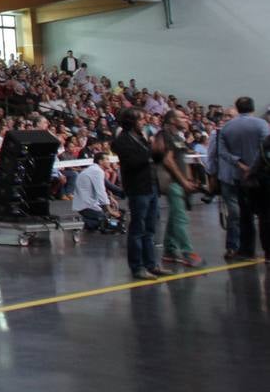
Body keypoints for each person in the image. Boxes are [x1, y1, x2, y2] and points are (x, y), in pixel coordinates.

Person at [112, 108, 172, 281]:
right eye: (140, 120)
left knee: (150, 228)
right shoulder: (123, 141)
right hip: (138, 188)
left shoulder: (140, 138)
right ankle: (137, 266)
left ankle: (151, 264)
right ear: (131, 122)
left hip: (150, 186)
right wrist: (151, 152)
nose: (144, 123)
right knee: (138, 229)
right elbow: (133, 162)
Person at [208, 96, 270, 259]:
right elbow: (265, 147)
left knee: (244, 214)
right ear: (252, 108)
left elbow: (222, 152)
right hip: (260, 176)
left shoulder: (226, 128)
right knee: (265, 214)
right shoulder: (261, 124)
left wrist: (240, 165)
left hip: (238, 176)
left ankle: (247, 249)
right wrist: (253, 167)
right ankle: (268, 252)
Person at [155, 108, 201, 267]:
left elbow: (183, 158)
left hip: (179, 182)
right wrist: (183, 181)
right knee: (181, 218)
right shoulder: (165, 135)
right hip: (173, 183)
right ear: (172, 121)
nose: (186, 118)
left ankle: (169, 250)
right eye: (182, 117)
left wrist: (189, 179)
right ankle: (188, 252)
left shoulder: (178, 138)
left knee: (175, 216)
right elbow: (168, 161)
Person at [72, 150, 120, 233]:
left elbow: (99, 189)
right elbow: (100, 191)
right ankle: (82, 222)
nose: (109, 162)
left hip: (88, 202)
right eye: (107, 159)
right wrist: (110, 210)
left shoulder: (94, 169)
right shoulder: (96, 171)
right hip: (86, 205)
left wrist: (110, 198)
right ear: (100, 161)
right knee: (105, 222)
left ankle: (87, 221)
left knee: (105, 220)